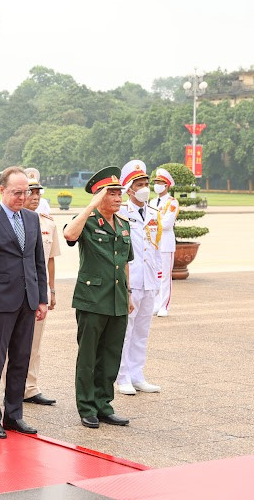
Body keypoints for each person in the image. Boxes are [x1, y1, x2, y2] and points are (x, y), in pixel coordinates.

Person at [0, 166, 48, 439]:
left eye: (25, 192)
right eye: (16, 192)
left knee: (21, 359)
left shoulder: (31, 219)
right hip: (0, 303)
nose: (22, 197)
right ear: (2, 190)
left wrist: (42, 299)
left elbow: (38, 262)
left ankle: (14, 415)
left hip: (27, 301)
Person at [63, 167, 134, 429]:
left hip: (116, 299)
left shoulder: (124, 225)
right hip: (92, 299)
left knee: (111, 354)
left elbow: (126, 261)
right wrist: (90, 206)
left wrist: (128, 293)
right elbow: (69, 235)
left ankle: (104, 404)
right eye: (112, 194)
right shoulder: (87, 221)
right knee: (89, 355)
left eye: (119, 194)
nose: (118, 198)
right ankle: (87, 406)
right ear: (99, 196)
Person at [116, 161, 162, 396]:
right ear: (129, 189)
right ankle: (122, 376)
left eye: (146, 184)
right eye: (140, 184)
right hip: (131, 280)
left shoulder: (154, 213)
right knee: (126, 330)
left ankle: (137, 374)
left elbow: (156, 249)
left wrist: (159, 280)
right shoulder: (122, 212)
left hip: (150, 280)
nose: (144, 188)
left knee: (142, 330)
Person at [22, 173, 60, 406]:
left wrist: (52, 290)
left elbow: (50, 260)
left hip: (39, 291)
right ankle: (10, 387)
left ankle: (31, 387)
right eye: (30, 192)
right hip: (14, 291)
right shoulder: (8, 221)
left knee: (35, 343)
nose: (35, 197)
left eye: (38, 192)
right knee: (11, 344)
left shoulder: (47, 223)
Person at [150, 167, 178, 317]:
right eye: (155, 182)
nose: (156, 185)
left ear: (166, 185)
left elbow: (167, 224)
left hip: (166, 243)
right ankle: (155, 304)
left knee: (166, 276)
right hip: (154, 242)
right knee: (155, 275)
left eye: (159, 182)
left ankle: (164, 306)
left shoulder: (172, 202)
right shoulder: (152, 201)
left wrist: (153, 221)